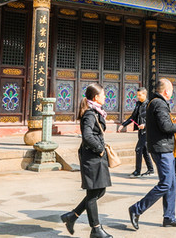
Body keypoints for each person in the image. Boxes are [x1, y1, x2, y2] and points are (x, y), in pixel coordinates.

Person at [128, 78, 176, 230]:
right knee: (165, 184)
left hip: (163, 147)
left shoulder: (156, 102)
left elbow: (162, 123)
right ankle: (136, 209)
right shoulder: (159, 103)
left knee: (171, 184)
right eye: (171, 91)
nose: (172, 94)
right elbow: (165, 126)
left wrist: (174, 121)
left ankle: (169, 216)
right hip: (161, 148)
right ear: (166, 91)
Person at [62, 84, 113, 238]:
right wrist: (100, 148)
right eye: (103, 95)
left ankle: (72, 216)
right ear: (96, 97)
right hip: (92, 156)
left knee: (100, 190)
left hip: (96, 157)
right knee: (93, 193)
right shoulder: (90, 114)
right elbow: (87, 135)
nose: (105, 97)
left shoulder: (96, 112)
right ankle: (96, 229)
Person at [121, 88, 153, 178]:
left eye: (140, 95)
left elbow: (153, 119)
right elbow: (133, 117)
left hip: (147, 131)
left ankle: (137, 171)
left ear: (144, 95)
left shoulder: (149, 105)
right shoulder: (138, 104)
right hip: (140, 130)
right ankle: (151, 169)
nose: (138, 97)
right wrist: (123, 125)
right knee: (144, 150)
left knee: (138, 149)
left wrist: (145, 125)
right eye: (137, 95)